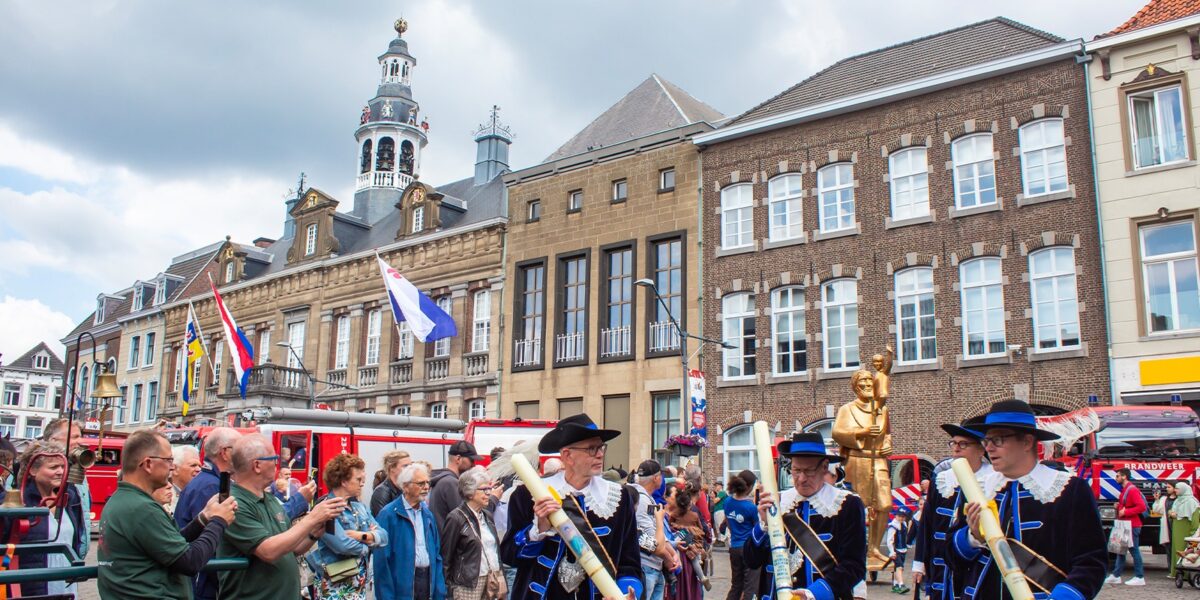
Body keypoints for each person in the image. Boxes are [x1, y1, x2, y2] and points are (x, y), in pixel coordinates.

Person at [955, 400, 1106, 600]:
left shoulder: (1069, 490)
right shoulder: (978, 489)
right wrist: (972, 537)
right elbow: (950, 556)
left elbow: (1091, 562)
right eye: (986, 440)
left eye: (997, 440)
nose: (989, 448)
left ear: (1027, 442)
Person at [501, 413, 644, 600]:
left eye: (601, 447)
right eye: (591, 449)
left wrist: (625, 594)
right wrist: (539, 530)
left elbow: (629, 560)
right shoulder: (529, 495)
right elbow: (509, 556)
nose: (600, 454)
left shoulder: (619, 498)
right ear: (567, 455)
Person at [97, 430, 238, 599]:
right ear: (148, 464)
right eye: (168, 460)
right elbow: (190, 561)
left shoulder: (123, 500)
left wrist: (204, 518)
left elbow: (170, 545)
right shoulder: (142, 509)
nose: (172, 467)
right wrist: (219, 521)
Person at [217, 434, 347, 600]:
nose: (277, 464)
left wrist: (314, 533)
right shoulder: (233, 504)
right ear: (257, 465)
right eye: (274, 459)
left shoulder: (269, 499)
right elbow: (268, 551)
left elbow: (291, 548)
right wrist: (313, 517)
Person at [744, 433, 866, 600]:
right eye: (796, 470)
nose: (801, 479)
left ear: (824, 467)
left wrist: (814, 593)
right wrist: (764, 525)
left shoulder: (846, 504)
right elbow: (751, 560)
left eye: (809, 471)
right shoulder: (778, 501)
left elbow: (854, 566)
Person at [912, 418, 991, 600]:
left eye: (963, 444)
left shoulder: (992, 481)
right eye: (953, 443)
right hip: (940, 567)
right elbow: (927, 524)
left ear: (981, 449)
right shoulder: (942, 480)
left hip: (974, 565)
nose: (956, 449)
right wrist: (919, 563)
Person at [0, 440, 86, 598]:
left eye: (63, 466)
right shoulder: (18, 501)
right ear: (33, 470)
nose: (61, 471)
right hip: (30, 586)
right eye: (54, 467)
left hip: (65, 583)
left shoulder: (69, 498)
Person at [307, 452, 388, 600]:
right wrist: (369, 544)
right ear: (343, 481)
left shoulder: (359, 507)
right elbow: (342, 545)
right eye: (358, 479)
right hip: (334, 586)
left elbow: (384, 537)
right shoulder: (326, 508)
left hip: (358, 586)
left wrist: (361, 536)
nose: (362, 483)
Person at [175, 426, 242, 600]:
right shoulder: (211, 487)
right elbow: (212, 542)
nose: (243, 454)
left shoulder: (207, 481)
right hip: (202, 586)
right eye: (239, 449)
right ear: (225, 453)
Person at [376, 462, 447, 600]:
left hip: (427, 581)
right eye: (420, 483)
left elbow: (436, 555)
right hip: (403, 588)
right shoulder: (389, 514)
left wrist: (439, 591)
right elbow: (382, 562)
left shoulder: (427, 514)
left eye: (427, 483)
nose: (426, 487)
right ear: (405, 486)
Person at [441, 467, 505, 600]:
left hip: (491, 578)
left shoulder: (486, 515)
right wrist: (448, 589)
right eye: (484, 489)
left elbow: (494, 550)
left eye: (489, 488)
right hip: (467, 584)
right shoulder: (456, 517)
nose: (489, 493)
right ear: (469, 492)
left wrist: (501, 574)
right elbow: (446, 556)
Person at [633, 460, 680, 600]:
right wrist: (668, 558)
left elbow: (656, 534)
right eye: (661, 476)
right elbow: (650, 539)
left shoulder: (648, 498)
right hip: (646, 565)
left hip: (654, 565)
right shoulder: (642, 501)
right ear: (656, 478)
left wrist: (673, 553)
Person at [43, 417, 91, 556]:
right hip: (44, 553)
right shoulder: (36, 470)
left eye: (80, 436)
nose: (80, 441)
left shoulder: (78, 472)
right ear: (53, 440)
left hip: (71, 555)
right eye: (74, 437)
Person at [666, 483, 708, 600]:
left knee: (681, 582)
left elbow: (669, 526)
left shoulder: (674, 515)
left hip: (678, 550)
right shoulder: (694, 515)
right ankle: (701, 576)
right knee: (695, 561)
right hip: (691, 546)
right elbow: (702, 529)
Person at [1106, 468, 1147, 586]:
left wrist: (1126, 511)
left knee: (1134, 550)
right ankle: (1116, 575)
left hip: (1131, 524)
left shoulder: (1132, 490)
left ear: (1124, 476)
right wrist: (1119, 506)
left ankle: (1139, 576)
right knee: (1120, 550)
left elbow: (1141, 507)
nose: (1116, 478)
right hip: (1125, 524)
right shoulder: (1127, 489)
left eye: (1118, 476)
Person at [723, 471, 759, 600]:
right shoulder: (751, 507)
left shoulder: (727, 501)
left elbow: (728, 523)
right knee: (750, 586)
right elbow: (757, 529)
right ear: (749, 487)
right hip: (748, 549)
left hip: (734, 547)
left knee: (736, 585)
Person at [430, 440, 484, 527]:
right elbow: (465, 518)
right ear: (458, 459)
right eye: (471, 460)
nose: (473, 465)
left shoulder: (444, 480)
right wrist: (493, 499)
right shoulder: (451, 483)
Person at [1170, 481, 1200, 578]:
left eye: (1177, 488)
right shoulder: (1177, 500)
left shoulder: (1192, 502)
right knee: (1176, 547)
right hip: (1177, 527)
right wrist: (1171, 514)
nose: (1175, 490)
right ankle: (1176, 571)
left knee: (1186, 545)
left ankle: (1187, 573)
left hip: (1186, 528)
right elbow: (1173, 511)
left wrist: (1193, 532)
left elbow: (1195, 518)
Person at [372, 449, 413, 516]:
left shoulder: (405, 489)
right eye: (405, 466)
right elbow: (383, 518)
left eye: (411, 466)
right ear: (392, 468)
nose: (410, 469)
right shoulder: (382, 492)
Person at [168, 444, 202, 515]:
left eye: (200, 466)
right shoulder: (162, 496)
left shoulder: (200, 492)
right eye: (193, 465)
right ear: (175, 469)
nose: (199, 469)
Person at [885, 508, 912, 594]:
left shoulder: (904, 524)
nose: (901, 518)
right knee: (899, 567)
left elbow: (905, 536)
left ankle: (895, 585)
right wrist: (892, 552)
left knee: (899, 568)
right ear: (896, 515)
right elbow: (889, 541)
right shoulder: (893, 526)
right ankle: (901, 585)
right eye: (899, 516)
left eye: (903, 516)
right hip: (896, 550)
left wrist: (907, 544)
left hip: (903, 549)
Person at [711, 481, 728, 547]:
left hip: (721, 511)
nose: (715, 487)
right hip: (718, 511)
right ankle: (719, 539)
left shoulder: (722, 492)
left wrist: (713, 497)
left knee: (720, 525)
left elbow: (715, 501)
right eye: (715, 485)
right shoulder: (719, 493)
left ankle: (722, 540)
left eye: (716, 485)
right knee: (717, 525)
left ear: (720, 486)